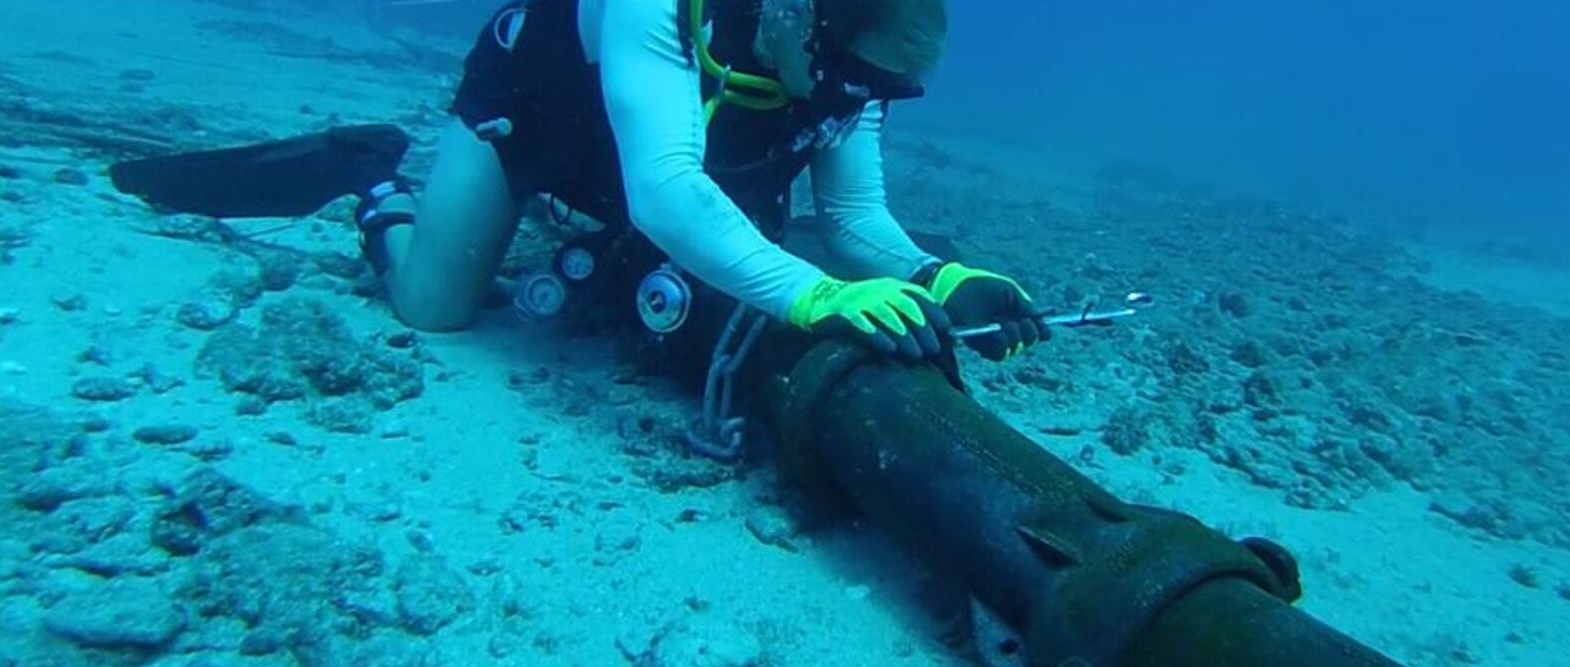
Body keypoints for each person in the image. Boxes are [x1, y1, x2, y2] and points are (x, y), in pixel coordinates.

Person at [351, 0, 1051, 362]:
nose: (857, 99)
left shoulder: (849, 75)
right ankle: (378, 186)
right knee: (432, 306)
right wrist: (817, 294)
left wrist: (941, 278)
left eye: (881, 88)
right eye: (854, 80)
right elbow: (663, 189)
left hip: (662, 171)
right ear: (798, 19)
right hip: (536, 120)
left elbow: (851, 216)